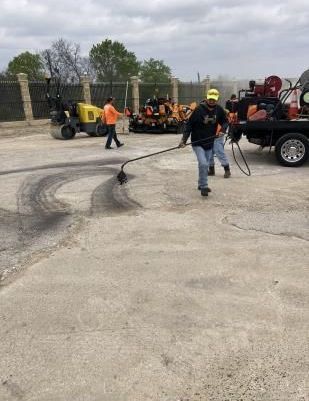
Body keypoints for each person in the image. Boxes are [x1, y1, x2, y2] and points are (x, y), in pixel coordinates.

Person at [179, 88, 229, 196]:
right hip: (198, 142)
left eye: (214, 99)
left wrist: (222, 130)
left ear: (217, 99)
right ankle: (204, 187)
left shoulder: (219, 110)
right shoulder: (198, 110)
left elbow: (225, 121)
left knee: (204, 165)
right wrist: (183, 140)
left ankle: (200, 183)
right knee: (203, 163)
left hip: (209, 142)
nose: (212, 101)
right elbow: (189, 126)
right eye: (210, 99)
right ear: (206, 98)